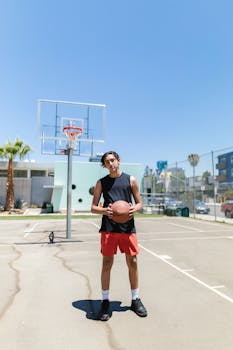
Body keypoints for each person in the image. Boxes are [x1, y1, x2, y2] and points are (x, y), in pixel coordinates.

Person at [91, 151, 147, 321]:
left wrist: (134, 209)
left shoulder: (131, 180)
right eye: (107, 162)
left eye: (112, 160)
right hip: (109, 227)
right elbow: (93, 207)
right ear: (105, 165)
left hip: (127, 227)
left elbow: (139, 203)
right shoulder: (101, 183)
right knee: (107, 263)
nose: (111, 164)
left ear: (118, 160)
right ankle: (105, 301)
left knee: (133, 262)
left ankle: (135, 299)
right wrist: (104, 210)